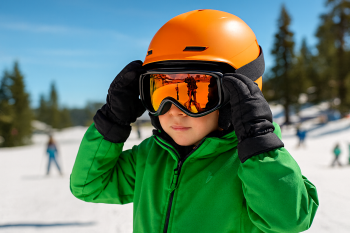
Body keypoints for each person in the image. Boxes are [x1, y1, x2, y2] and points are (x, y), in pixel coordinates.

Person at [70, 10, 319, 233]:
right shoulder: (150, 157)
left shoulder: (252, 165)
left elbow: (290, 220)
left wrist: (259, 144)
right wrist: (111, 124)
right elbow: (88, 185)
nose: (174, 111)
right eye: (161, 93)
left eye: (194, 94)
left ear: (235, 98)